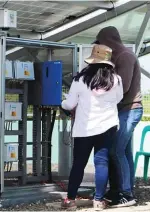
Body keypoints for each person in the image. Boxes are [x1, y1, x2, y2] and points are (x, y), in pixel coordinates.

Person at [61, 44, 123, 211]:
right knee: (101, 163)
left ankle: (71, 200)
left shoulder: (79, 80)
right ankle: (98, 201)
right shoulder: (116, 80)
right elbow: (118, 99)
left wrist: (62, 103)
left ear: (91, 61)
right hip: (108, 126)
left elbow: (70, 104)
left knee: (79, 163)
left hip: (84, 128)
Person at [94, 26, 143, 207]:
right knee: (125, 152)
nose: (100, 46)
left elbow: (122, 88)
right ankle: (124, 189)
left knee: (115, 150)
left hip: (130, 110)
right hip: (123, 110)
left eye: (101, 42)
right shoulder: (118, 57)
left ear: (109, 41)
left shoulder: (125, 57)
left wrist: (99, 97)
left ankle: (126, 194)